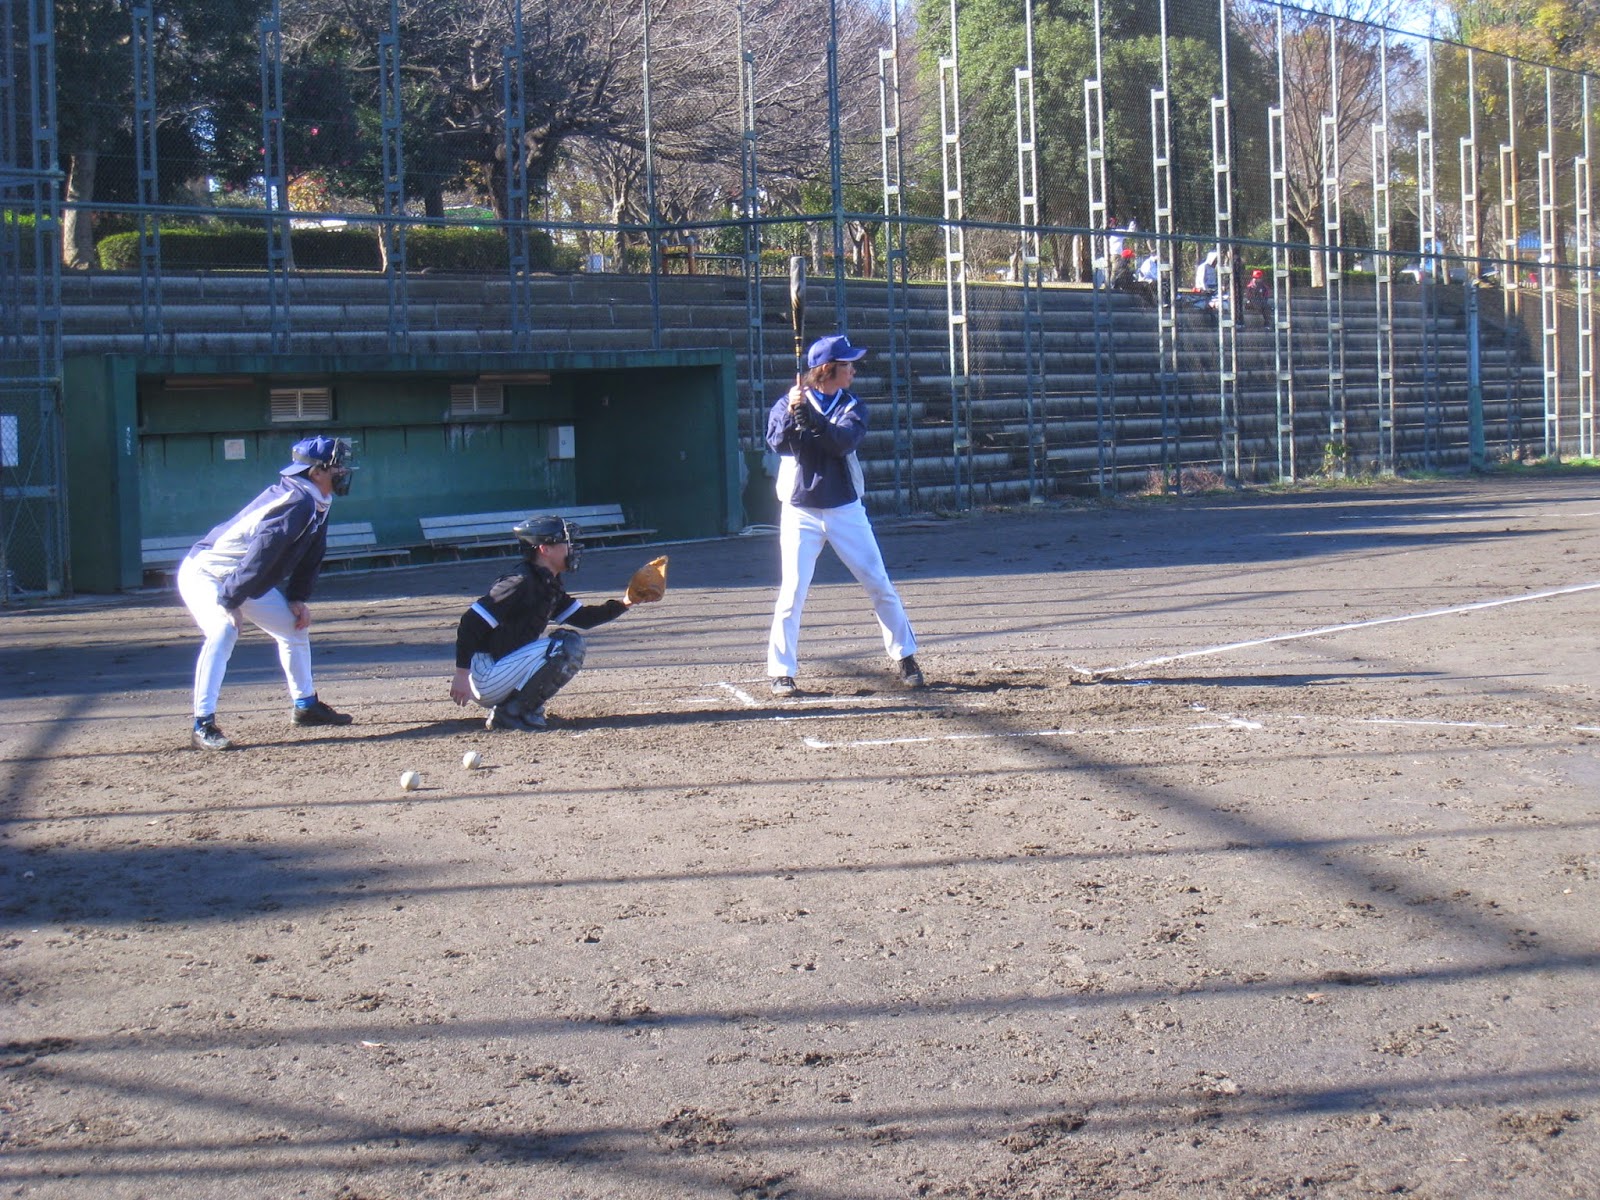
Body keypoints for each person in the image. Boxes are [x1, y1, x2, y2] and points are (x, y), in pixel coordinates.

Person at [766, 333, 922, 697]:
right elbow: (778, 443)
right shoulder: (788, 402)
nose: (852, 370)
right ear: (826, 369)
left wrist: (815, 422)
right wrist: (792, 414)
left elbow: (842, 442)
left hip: (845, 509)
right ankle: (781, 671)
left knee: (877, 581)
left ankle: (906, 656)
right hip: (800, 510)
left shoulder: (852, 405)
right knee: (792, 592)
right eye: (847, 364)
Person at [178, 435, 356, 751]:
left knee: (293, 627)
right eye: (335, 466)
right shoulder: (296, 502)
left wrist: (298, 597)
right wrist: (230, 601)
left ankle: (305, 705)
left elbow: (313, 551)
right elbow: (262, 554)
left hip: (242, 578)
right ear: (315, 472)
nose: (342, 471)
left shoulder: (315, 498)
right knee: (222, 631)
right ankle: (201, 724)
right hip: (208, 574)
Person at [450, 514, 653, 731]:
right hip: (486, 673)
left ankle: (517, 709)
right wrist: (462, 674)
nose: (571, 548)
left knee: (567, 643)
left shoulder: (546, 582)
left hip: (501, 668)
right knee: (565, 646)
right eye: (565, 542)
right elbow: (470, 622)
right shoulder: (520, 582)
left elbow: (583, 618)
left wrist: (627, 602)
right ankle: (511, 713)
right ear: (544, 549)